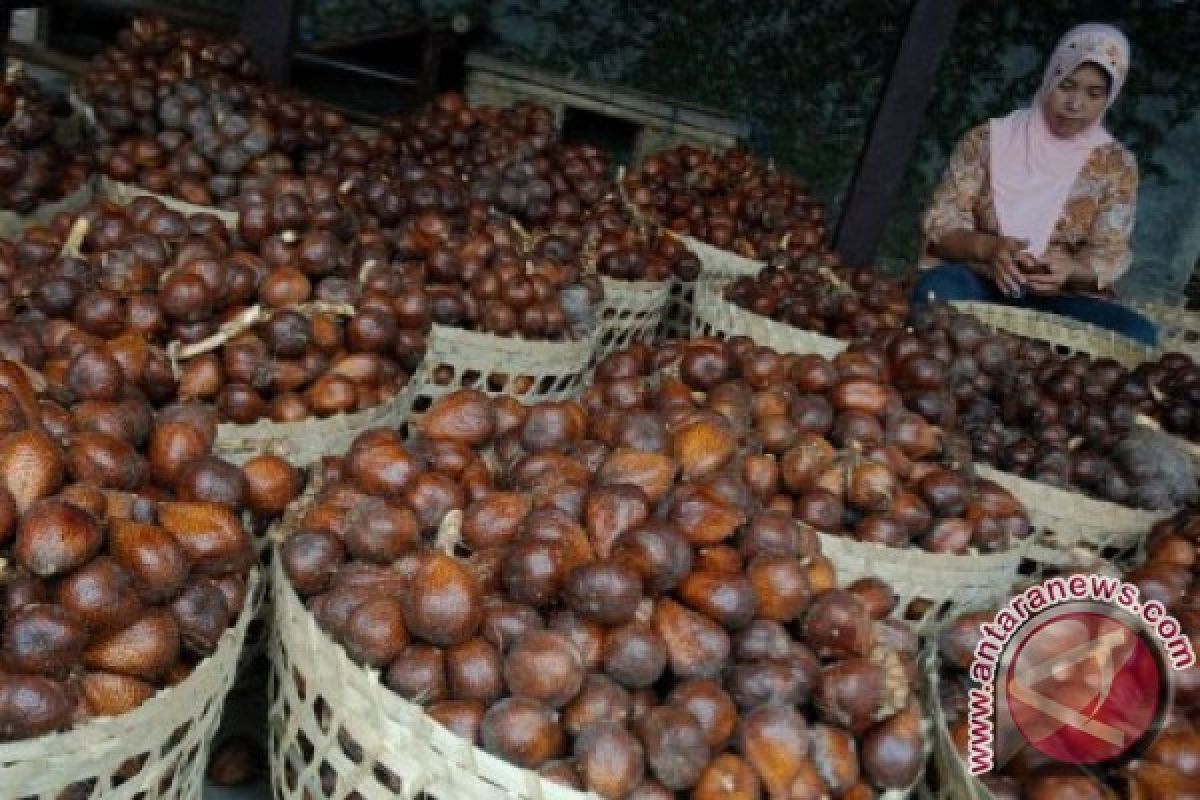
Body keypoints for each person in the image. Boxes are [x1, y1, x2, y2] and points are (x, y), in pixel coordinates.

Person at [912, 22, 1158, 347]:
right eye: (1066, 85)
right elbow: (941, 226)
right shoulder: (987, 140)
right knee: (937, 290)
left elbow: (1108, 253)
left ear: (1109, 98)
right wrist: (991, 250)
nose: (1075, 104)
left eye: (1093, 94)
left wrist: (1070, 271)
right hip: (980, 282)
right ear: (1050, 79)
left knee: (1138, 335)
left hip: (1059, 301)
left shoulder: (1115, 165)